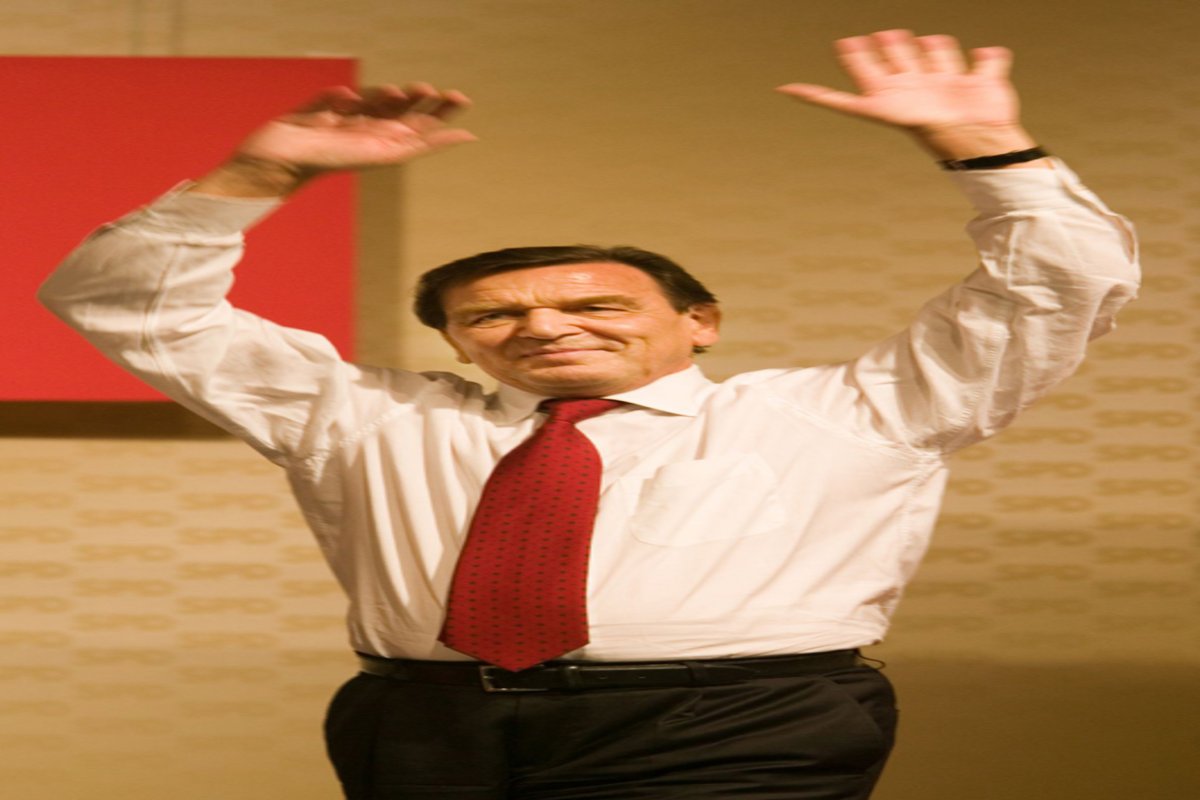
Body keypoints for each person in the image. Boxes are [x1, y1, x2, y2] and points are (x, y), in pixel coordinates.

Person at [39, 29, 1138, 800]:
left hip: (737, 724)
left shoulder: (855, 410)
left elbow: (1058, 287)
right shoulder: (365, 416)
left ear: (700, 322)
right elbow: (125, 304)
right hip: (426, 726)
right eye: (494, 314)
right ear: (457, 342)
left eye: (595, 305)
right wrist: (259, 170)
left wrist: (984, 147)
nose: (544, 326)